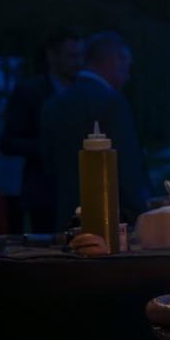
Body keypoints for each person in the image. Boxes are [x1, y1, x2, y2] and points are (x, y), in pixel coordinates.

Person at [41, 31, 150, 225]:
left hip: (65, 219)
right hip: (107, 221)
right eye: (127, 65)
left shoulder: (54, 104)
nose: (128, 75)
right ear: (114, 61)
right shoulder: (112, 103)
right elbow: (127, 172)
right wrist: (140, 215)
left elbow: (48, 166)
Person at [0, 28, 85, 231]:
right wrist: (51, 148)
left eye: (80, 56)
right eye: (71, 56)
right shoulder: (29, 92)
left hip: (80, 192)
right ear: (52, 56)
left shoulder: (85, 92)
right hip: (45, 193)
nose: (78, 62)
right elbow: (8, 142)